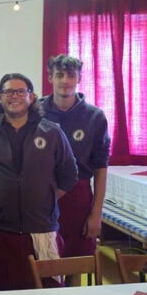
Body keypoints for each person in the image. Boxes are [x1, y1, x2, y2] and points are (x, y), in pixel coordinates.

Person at [0, 73, 77, 291]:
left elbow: (69, 175)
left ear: (31, 97)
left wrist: (44, 196)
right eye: (8, 91)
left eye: (20, 91)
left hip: (41, 229)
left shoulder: (52, 132)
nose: (14, 96)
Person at [39, 55, 110, 258]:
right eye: (59, 75)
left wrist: (96, 214)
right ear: (50, 78)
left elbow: (101, 168)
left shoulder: (95, 116)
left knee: (77, 256)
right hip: (41, 194)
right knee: (43, 255)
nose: (65, 81)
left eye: (71, 75)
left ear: (79, 78)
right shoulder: (35, 112)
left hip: (78, 196)